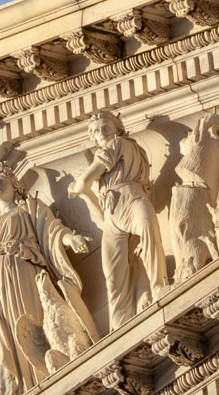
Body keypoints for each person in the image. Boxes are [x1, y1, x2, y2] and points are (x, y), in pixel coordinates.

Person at [0, 162, 96, 395]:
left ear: (15, 187)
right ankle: (24, 386)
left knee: (32, 318)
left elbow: (50, 230)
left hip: (26, 272)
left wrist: (71, 238)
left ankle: (40, 373)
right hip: (1, 285)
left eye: (3, 179)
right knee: (7, 331)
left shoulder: (29, 208)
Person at [71, 110, 166, 327]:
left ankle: (159, 285)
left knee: (149, 232)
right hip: (112, 213)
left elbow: (87, 177)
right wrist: (85, 192)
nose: (101, 133)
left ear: (117, 129)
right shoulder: (105, 171)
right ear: (92, 137)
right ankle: (120, 324)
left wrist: (80, 185)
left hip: (131, 197)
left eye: (105, 127)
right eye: (95, 131)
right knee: (113, 276)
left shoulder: (119, 143)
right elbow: (102, 215)